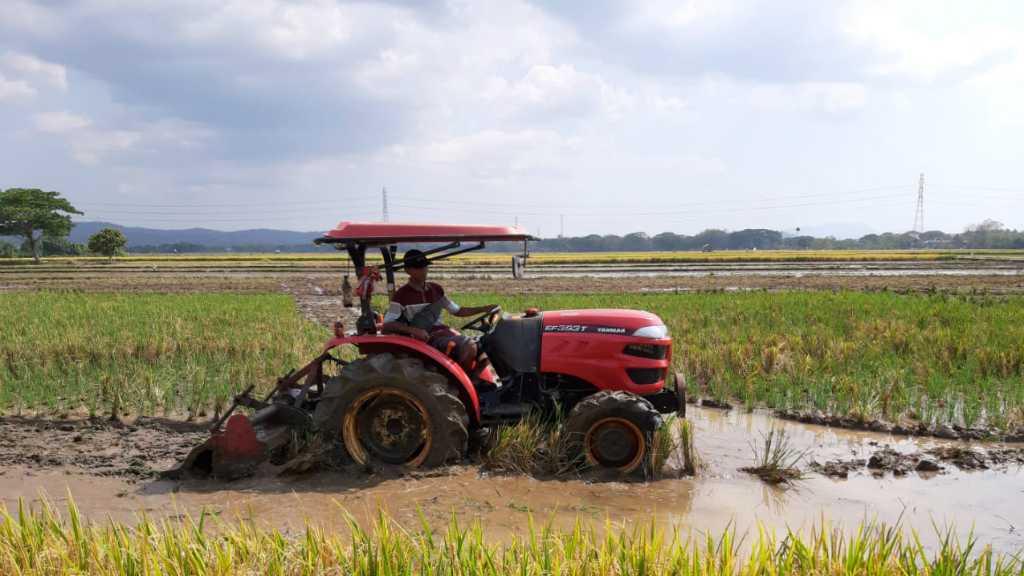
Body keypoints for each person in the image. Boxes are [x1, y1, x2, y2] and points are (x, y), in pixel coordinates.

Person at [381, 249, 498, 371]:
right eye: (418, 268)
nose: (423, 271)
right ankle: (461, 384)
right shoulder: (402, 295)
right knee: (469, 345)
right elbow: (387, 325)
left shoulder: (436, 290)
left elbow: (457, 311)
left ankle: (476, 382)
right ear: (408, 270)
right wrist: (413, 330)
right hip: (427, 339)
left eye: (424, 267)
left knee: (489, 347)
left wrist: (484, 309)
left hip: (443, 334)